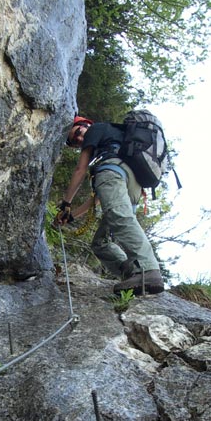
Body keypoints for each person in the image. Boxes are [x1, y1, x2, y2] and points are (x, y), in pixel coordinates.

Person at [55, 116, 164, 295]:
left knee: (120, 217)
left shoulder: (96, 128)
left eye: (78, 133)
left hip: (112, 173)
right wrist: (72, 215)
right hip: (132, 184)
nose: (80, 139)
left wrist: (66, 203)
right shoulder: (117, 140)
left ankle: (147, 270)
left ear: (84, 124)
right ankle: (132, 272)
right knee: (100, 243)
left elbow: (80, 170)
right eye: (76, 142)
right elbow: (98, 198)